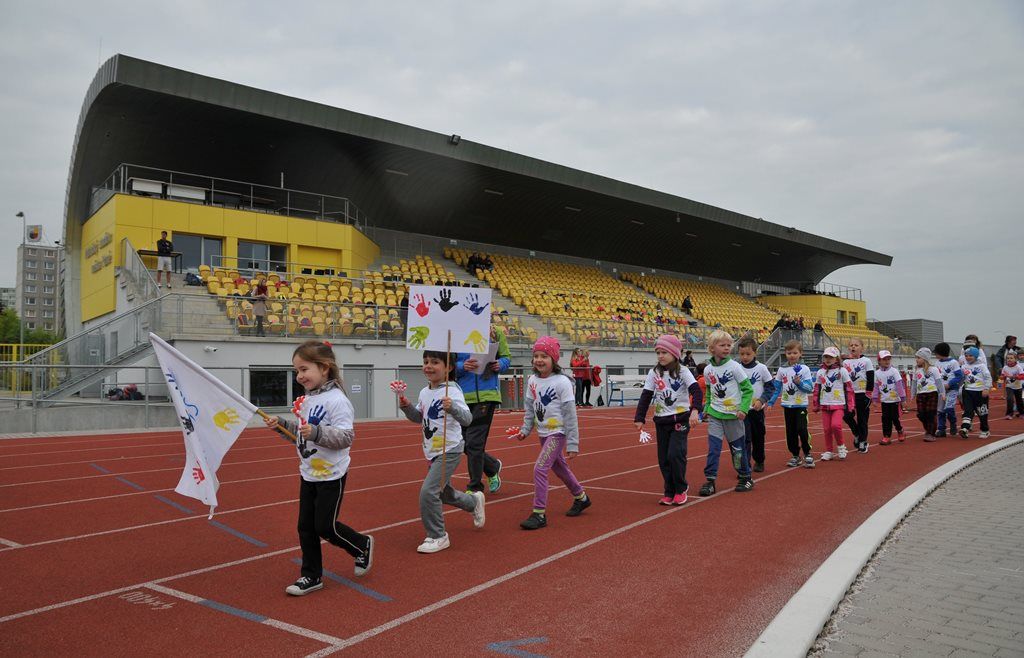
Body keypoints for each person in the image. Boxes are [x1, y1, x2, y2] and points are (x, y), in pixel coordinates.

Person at [263, 341, 374, 595]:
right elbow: (300, 436)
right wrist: (281, 424)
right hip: (309, 472)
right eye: (297, 371)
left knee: (326, 526)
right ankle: (311, 576)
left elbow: (346, 437)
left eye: (304, 369)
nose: (300, 376)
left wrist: (315, 432)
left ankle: (361, 545)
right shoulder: (307, 400)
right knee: (305, 527)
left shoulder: (337, 401)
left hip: (332, 473)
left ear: (324, 368)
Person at [397, 351, 486, 554]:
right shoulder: (424, 392)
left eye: (435, 362)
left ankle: (437, 535)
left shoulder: (453, 391)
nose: (428, 366)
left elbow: (467, 419)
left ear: (449, 367)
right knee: (443, 493)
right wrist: (406, 406)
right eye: (426, 362)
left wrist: (452, 407)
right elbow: (419, 418)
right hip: (432, 450)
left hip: (450, 449)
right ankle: (473, 502)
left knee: (428, 492)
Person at [509, 336, 591, 530]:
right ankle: (582, 497)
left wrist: (572, 443)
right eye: (536, 356)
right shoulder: (532, 381)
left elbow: (570, 415)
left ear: (553, 359)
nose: (539, 360)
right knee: (559, 468)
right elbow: (529, 408)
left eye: (544, 356)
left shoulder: (562, 382)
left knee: (540, 468)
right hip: (543, 432)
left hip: (558, 433)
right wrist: (525, 429)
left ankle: (539, 513)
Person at [633, 334, 703, 505]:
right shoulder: (654, 372)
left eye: (664, 352)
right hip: (661, 421)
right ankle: (669, 490)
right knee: (663, 458)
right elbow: (646, 395)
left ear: (675, 354)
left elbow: (696, 391)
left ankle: (681, 488)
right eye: (658, 352)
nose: (660, 356)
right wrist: (639, 417)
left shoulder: (684, 371)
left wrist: (695, 411)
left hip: (680, 419)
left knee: (675, 454)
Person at [454, 326, 511, 495]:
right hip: (462, 397)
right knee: (462, 442)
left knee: (474, 443)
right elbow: (448, 365)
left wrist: (499, 364)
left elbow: (506, 358)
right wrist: (461, 366)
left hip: (487, 397)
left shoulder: (495, 331)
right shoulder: (455, 333)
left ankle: (474, 487)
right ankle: (492, 467)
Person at [699, 330, 754, 495]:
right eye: (722, 345)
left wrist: (743, 409)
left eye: (729, 345)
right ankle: (710, 481)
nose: (726, 348)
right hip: (715, 415)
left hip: (733, 416)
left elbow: (748, 390)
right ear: (712, 348)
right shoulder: (708, 370)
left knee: (737, 450)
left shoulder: (735, 367)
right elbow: (709, 391)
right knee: (713, 449)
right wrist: (707, 408)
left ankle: (745, 477)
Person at [769, 339, 815, 468]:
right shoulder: (781, 370)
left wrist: (799, 383)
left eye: (795, 353)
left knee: (801, 428)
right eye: (789, 353)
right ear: (785, 354)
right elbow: (777, 388)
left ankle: (807, 453)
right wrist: (771, 401)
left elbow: (809, 388)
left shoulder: (804, 369)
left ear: (801, 353)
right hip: (787, 405)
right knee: (790, 432)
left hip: (800, 405)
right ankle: (795, 455)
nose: (792, 355)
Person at [812, 346, 855, 461]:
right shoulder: (820, 372)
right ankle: (829, 451)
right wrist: (816, 404)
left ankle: (841, 447)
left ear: (836, 358)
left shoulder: (842, 371)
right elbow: (817, 388)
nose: (828, 359)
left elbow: (849, 389)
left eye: (831, 357)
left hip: (838, 404)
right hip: (825, 405)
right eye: (826, 356)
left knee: (836, 426)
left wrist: (850, 405)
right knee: (826, 429)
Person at [737, 337, 772, 472]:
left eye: (748, 354)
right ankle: (745, 464)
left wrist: (761, 400)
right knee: (744, 438)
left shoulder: (761, 368)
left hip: (756, 411)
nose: (745, 357)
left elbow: (770, 387)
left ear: (755, 353)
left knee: (758, 436)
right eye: (742, 354)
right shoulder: (736, 368)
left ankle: (759, 459)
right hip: (742, 411)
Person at [842, 338, 874, 453]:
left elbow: (870, 378)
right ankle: (856, 433)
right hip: (849, 394)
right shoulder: (845, 363)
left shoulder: (867, 361)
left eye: (856, 345)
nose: (853, 347)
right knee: (847, 416)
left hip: (862, 394)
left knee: (862, 419)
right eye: (851, 345)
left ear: (862, 348)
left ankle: (863, 441)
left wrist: (869, 394)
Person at [872, 350, 906, 445]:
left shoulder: (894, 371)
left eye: (888, 359)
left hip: (894, 400)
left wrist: (903, 399)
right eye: (884, 359)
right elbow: (876, 387)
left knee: (894, 418)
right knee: (885, 418)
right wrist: (874, 399)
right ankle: (886, 436)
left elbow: (899, 385)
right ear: (879, 361)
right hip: (884, 401)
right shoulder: (877, 373)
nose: (887, 361)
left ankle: (900, 430)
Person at [911, 348, 945, 441]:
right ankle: (929, 428)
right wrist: (912, 394)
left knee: (930, 414)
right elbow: (914, 383)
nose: (916, 360)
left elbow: (939, 382)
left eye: (918, 358)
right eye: (916, 358)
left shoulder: (933, 369)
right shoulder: (916, 370)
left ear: (925, 359)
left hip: (932, 394)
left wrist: (942, 393)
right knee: (921, 414)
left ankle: (931, 433)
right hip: (920, 395)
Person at [959, 346, 992, 439]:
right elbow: (961, 378)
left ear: (976, 356)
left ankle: (985, 430)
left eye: (970, 356)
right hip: (968, 391)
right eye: (966, 355)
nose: (968, 357)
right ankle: (965, 428)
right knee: (968, 410)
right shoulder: (964, 366)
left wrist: (986, 388)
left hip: (980, 392)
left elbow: (988, 377)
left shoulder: (982, 366)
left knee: (982, 413)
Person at [933, 342, 963, 438]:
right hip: (941, 391)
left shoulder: (953, 362)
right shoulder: (937, 363)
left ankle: (953, 423)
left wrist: (949, 384)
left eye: (936, 353)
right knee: (940, 410)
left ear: (941, 353)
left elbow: (959, 376)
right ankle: (941, 429)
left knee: (949, 408)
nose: (935, 355)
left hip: (952, 390)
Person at [1000, 350, 1023, 418]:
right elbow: (1002, 376)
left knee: (1019, 400)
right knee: (1009, 399)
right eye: (1008, 358)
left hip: (1018, 386)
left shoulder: (1018, 367)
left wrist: (1015, 376)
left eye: (1011, 358)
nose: (1009, 359)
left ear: (1015, 359)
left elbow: (1022, 376)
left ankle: (1021, 412)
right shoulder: (1005, 367)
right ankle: (1009, 414)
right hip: (1009, 386)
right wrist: (1002, 377)